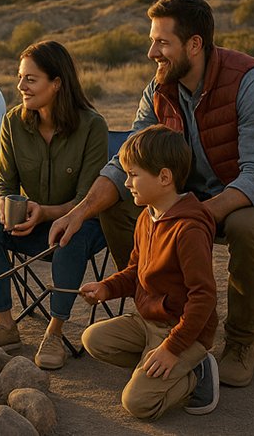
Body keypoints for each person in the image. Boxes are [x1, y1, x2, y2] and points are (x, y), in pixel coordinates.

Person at [51, 0, 254, 387]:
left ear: (194, 44)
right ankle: (155, 313)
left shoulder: (249, 81)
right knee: (117, 206)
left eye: (162, 42)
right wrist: (78, 211)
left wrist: (195, 215)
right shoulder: (158, 89)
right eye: (152, 41)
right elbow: (126, 163)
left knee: (246, 228)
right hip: (188, 199)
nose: (152, 52)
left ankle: (240, 343)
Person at [0, 40, 108, 370]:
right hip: (32, 224)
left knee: (71, 233)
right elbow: (3, 183)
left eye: (31, 79)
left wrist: (46, 212)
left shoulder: (93, 126)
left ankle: (55, 332)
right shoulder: (13, 123)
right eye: (20, 77)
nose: (21, 86)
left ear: (57, 83)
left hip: (82, 224)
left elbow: (87, 198)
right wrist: (4, 205)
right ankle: (5, 326)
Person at [80, 125, 219, 420]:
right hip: (149, 323)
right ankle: (156, 363)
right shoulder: (147, 216)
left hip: (185, 332)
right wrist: (107, 288)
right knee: (93, 339)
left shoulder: (189, 229)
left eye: (133, 175)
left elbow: (204, 297)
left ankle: (196, 373)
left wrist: (172, 349)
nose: (126, 182)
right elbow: (135, 271)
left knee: (138, 403)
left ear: (164, 178)